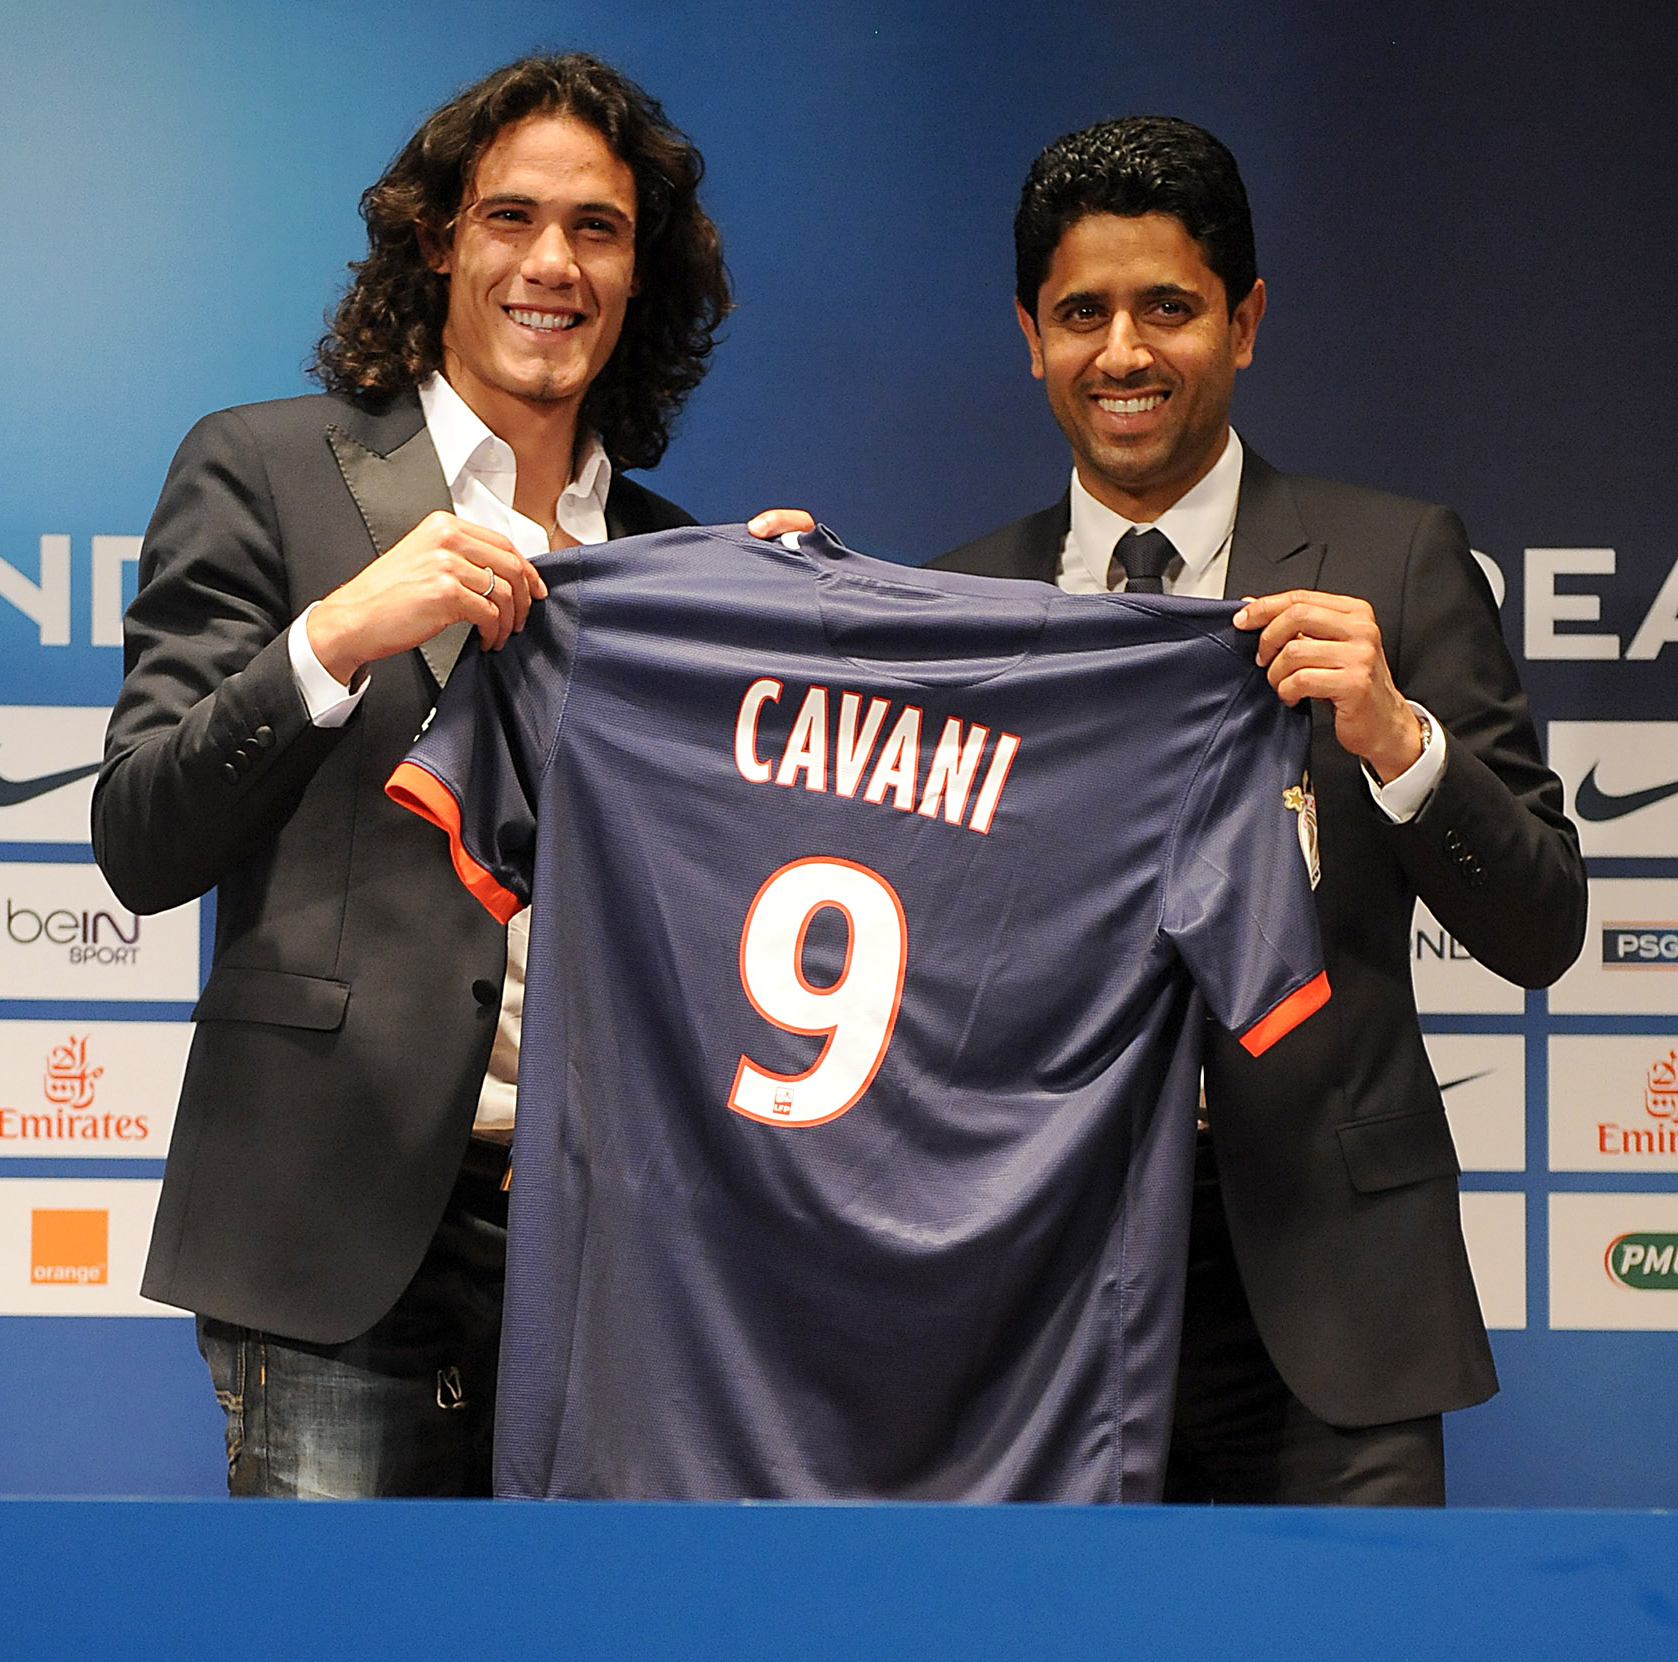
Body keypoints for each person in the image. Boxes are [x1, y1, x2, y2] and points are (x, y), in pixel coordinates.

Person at [95, 52, 802, 1496]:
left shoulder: (678, 559)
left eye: (598, 229)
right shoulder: (266, 469)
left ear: (641, 270)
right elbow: (141, 835)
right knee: (339, 1645)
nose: (554, 265)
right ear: (436, 239)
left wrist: (788, 645)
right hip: (336, 1228)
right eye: (511, 218)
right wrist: (335, 636)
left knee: (587, 1652)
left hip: (615, 1248)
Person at [935, 116, 1585, 1505]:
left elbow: (1542, 925)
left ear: (1244, 321)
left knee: (1350, 1656)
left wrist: (1398, 738)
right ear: (1031, 337)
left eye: (1168, 307)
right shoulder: (959, 608)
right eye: (1082, 314)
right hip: (1040, 1305)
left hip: (1336, 1304)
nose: (1123, 352)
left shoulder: (1395, 560)